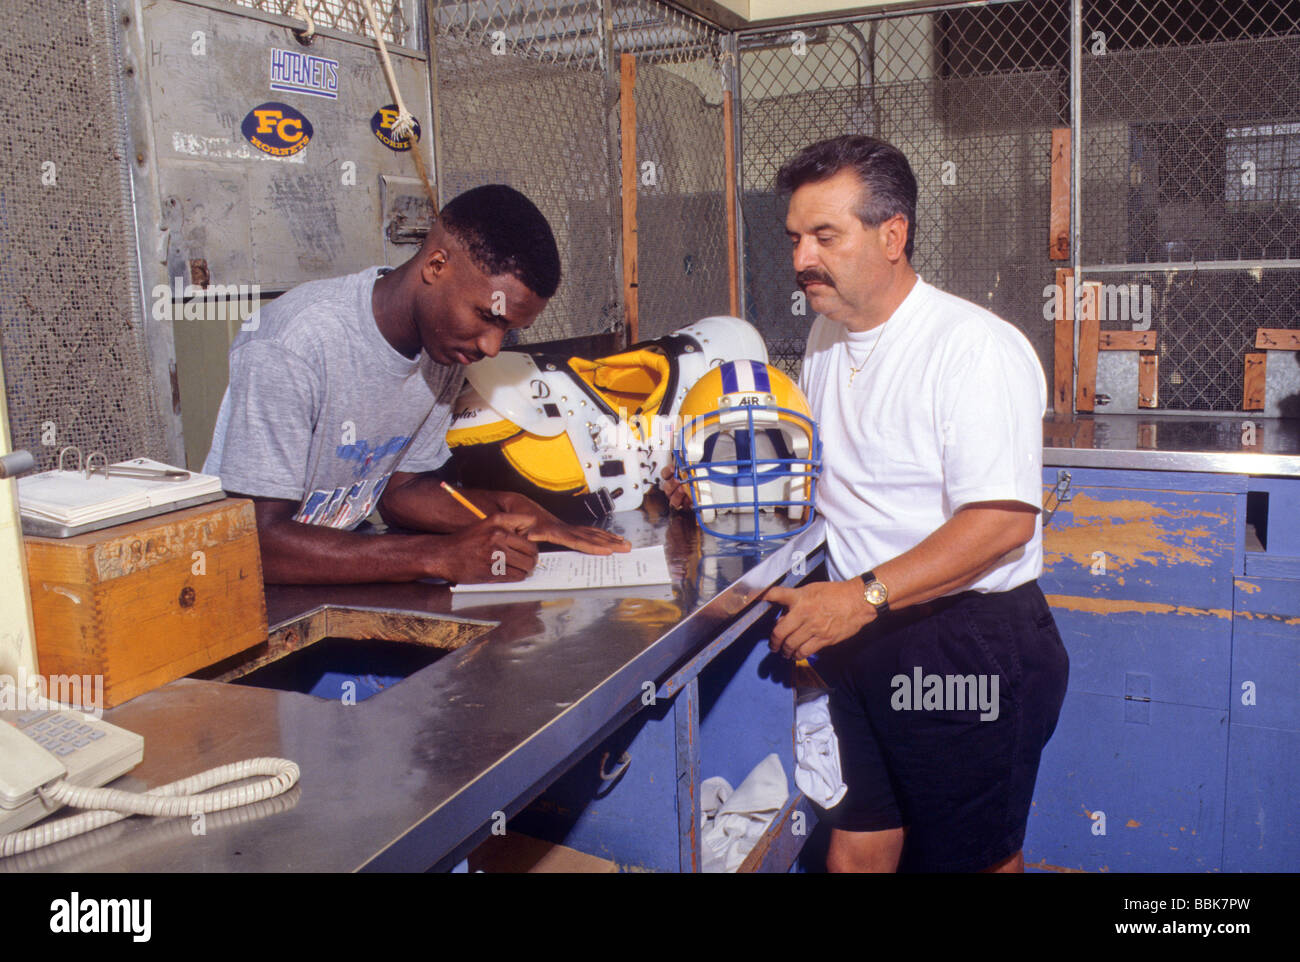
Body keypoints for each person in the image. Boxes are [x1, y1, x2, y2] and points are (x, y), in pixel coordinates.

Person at [662, 136, 1068, 873]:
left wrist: (861, 597)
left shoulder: (971, 348)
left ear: (892, 235)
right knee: (858, 850)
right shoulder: (827, 334)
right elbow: (835, 477)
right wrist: (712, 480)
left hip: (960, 639)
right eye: (794, 238)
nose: (801, 259)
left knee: (972, 862)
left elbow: (1003, 522)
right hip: (863, 629)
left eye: (825, 236)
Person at [205, 184, 629, 585]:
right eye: (487, 317)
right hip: (242, 593)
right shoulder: (295, 344)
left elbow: (401, 493)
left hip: (329, 579)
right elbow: (256, 543)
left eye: (510, 329)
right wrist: (438, 556)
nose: (492, 346)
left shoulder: (444, 347)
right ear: (436, 265)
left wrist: (511, 511)